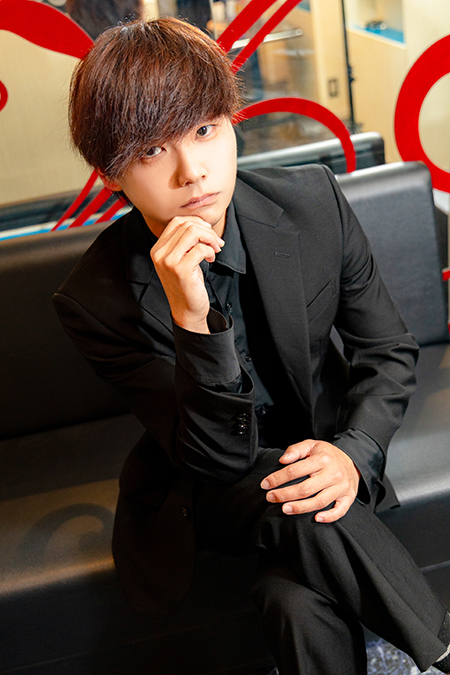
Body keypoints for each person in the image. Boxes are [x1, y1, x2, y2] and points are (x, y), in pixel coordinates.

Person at [53, 17, 450, 675]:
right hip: (210, 488)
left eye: (205, 130)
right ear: (111, 174)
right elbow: (217, 457)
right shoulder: (94, 297)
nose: (192, 171)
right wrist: (192, 316)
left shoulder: (313, 203)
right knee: (296, 502)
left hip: (326, 453)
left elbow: (387, 348)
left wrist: (352, 454)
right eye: (152, 151)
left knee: (293, 602)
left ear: (232, 124)